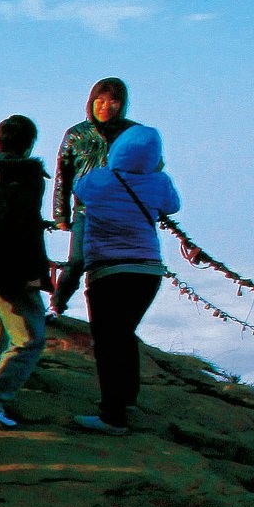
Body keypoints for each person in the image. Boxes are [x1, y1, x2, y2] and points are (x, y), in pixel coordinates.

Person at [65, 118, 177, 435]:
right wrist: (154, 171)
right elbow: (173, 205)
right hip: (147, 271)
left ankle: (112, 416)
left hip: (108, 271)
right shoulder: (160, 182)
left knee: (108, 341)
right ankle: (126, 399)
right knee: (124, 335)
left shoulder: (97, 180)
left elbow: (78, 189)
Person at [0, 114, 51, 428]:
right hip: (11, 272)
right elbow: (25, 227)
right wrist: (36, 273)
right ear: (30, 145)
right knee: (29, 339)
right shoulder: (27, 176)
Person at [49, 77, 130, 312]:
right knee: (77, 262)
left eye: (113, 101)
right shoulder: (76, 134)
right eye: (100, 100)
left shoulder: (131, 133)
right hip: (85, 209)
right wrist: (60, 215)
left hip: (121, 211)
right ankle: (57, 305)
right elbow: (63, 176)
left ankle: (105, 314)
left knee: (112, 266)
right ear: (91, 101)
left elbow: (151, 167)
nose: (105, 106)